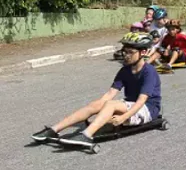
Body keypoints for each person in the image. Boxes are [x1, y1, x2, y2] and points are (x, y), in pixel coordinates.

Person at [32, 33, 161, 147]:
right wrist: (98, 108)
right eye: (124, 51)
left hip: (147, 109)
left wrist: (124, 118)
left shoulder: (149, 72)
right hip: (130, 104)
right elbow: (110, 94)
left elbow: (141, 100)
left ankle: (86, 135)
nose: (126, 55)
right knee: (97, 104)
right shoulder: (124, 70)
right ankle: (53, 130)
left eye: (130, 52)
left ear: (143, 52)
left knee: (111, 104)